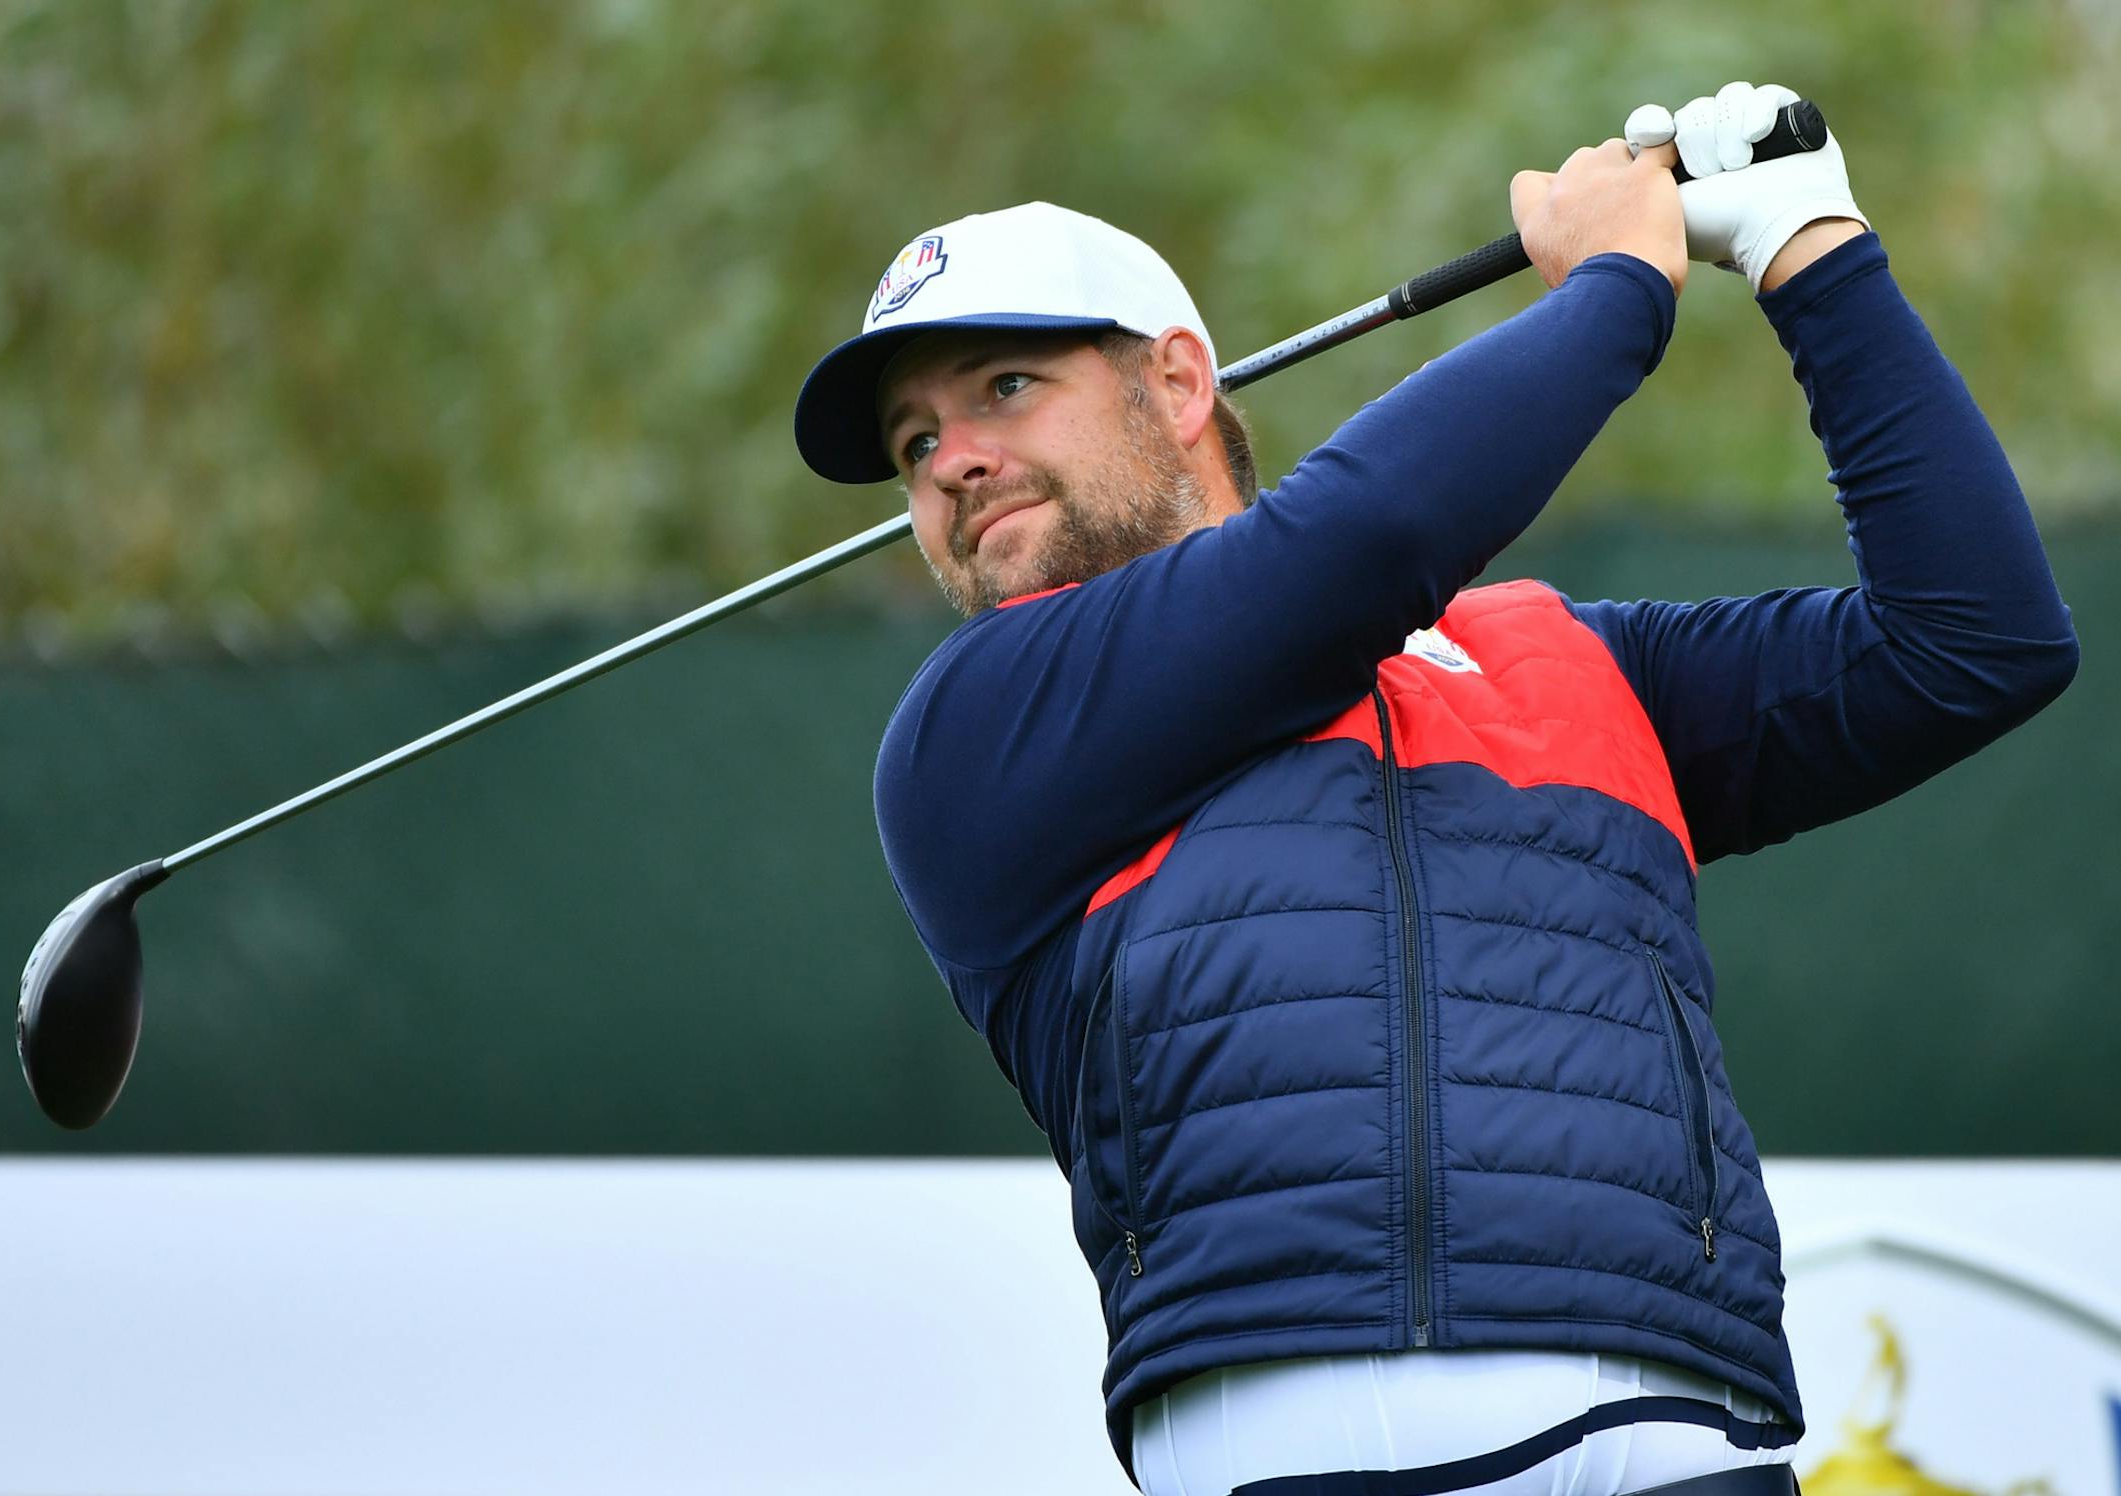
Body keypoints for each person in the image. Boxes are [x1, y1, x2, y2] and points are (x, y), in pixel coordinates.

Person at [791, 83, 2077, 1495]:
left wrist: (1811, 250)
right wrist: (1618, 283)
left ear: (1176, 383)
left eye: (1004, 389)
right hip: (1295, 1451)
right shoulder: (976, 736)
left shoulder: (1569, 659)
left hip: (1679, 1430)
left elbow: (1974, 643)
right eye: (917, 446)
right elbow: (1362, 538)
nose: (955, 461)